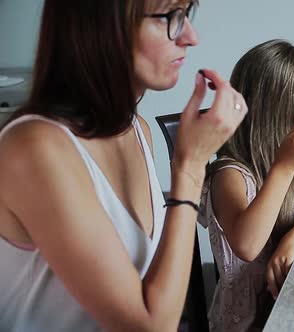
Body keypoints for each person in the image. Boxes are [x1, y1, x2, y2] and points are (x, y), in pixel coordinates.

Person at [0, 1, 247, 331]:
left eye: (186, 14)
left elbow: (156, 286)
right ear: (102, 25)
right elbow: (150, 326)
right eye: (169, 17)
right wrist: (190, 166)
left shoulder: (137, 129)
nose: (191, 36)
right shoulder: (35, 148)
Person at [198, 39, 294, 332]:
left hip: (285, 306)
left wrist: (293, 240)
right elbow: (248, 246)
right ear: (279, 116)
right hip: (248, 323)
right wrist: (284, 167)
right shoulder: (230, 175)